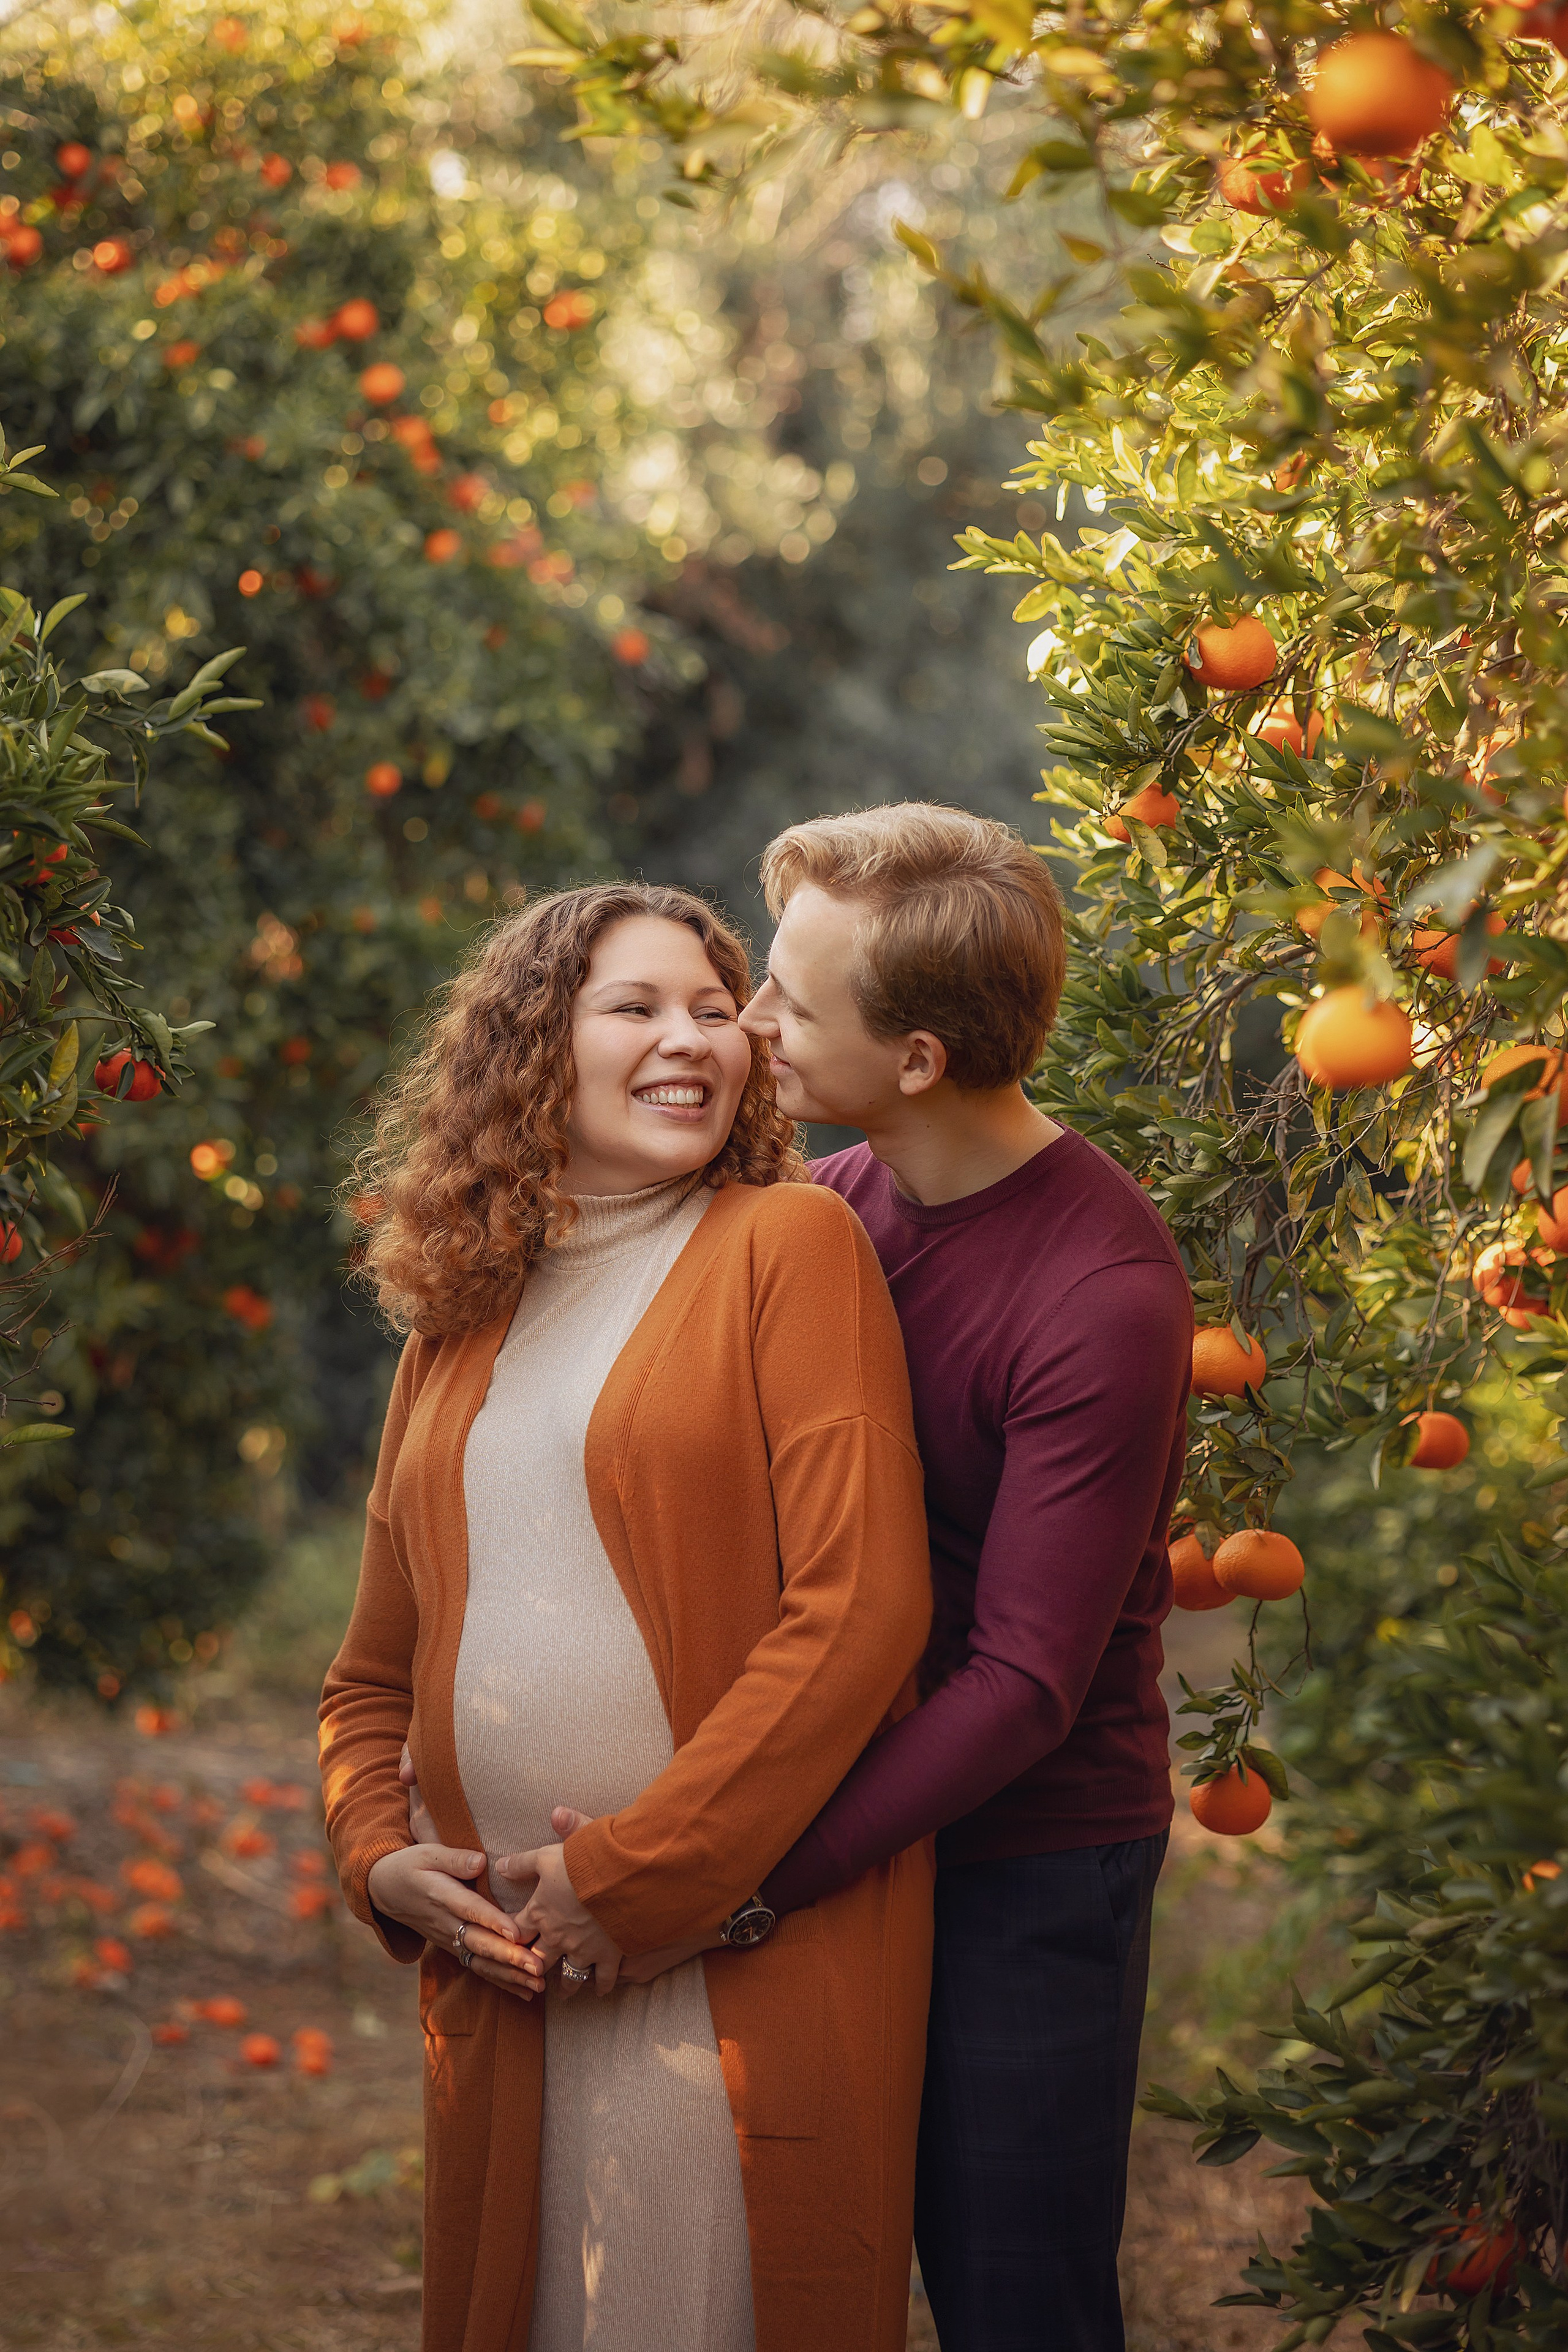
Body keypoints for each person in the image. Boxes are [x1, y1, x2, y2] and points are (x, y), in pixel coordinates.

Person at [510, 805, 1191, 2352]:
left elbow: (1022, 1687)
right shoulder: (829, 1209)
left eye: (789, 1007)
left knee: (1010, 2287)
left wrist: (731, 1881)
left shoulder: (1103, 1293)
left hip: (1020, 1858)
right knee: (795, 2260)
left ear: (919, 1061)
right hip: (825, 1809)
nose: (747, 1026)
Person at [318, 881, 935, 2352]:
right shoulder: (454, 1326)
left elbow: (861, 1610)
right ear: (534, 1050)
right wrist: (380, 1859)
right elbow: (368, 1680)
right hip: (506, 1975)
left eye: (717, 1012)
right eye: (636, 1008)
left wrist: (637, 1881)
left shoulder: (784, 1247)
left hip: (731, 1945)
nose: (692, 1042)